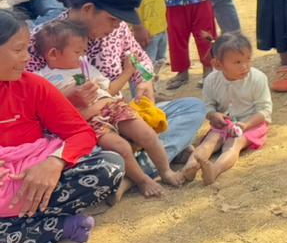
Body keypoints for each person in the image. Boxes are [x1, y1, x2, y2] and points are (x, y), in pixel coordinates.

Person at [28, 0, 206, 171]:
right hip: (79, 135)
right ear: (87, 9)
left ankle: (134, 167)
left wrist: (144, 81)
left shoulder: (117, 30)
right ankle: (145, 163)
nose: (117, 26)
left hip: (121, 118)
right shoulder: (39, 41)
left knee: (192, 108)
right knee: (98, 153)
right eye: (113, 19)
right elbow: (24, 108)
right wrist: (65, 102)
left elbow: (139, 60)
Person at [0, 10, 123, 243]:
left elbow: (80, 133)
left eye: (26, 50)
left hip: (40, 175)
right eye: (18, 50)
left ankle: (11, 232)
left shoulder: (33, 85)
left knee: (110, 166)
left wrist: (55, 162)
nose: (26, 58)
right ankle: (57, 226)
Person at [35, 19, 183, 197]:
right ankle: (142, 180)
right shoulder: (40, 79)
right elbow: (45, 110)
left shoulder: (85, 68)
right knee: (120, 147)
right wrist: (68, 95)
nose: (82, 56)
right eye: (77, 52)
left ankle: (165, 170)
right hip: (89, 122)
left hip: (112, 106)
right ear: (53, 54)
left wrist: (127, 72)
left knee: (147, 134)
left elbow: (109, 90)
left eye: (84, 51)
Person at [185, 31, 270, 186]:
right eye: (237, 62)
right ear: (218, 64)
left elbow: (264, 110)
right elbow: (208, 105)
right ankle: (190, 166)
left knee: (233, 143)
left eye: (248, 59)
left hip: (252, 123)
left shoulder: (258, 78)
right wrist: (213, 115)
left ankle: (215, 170)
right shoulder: (211, 80)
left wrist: (245, 125)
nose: (245, 66)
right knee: (210, 141)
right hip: (225, 122)